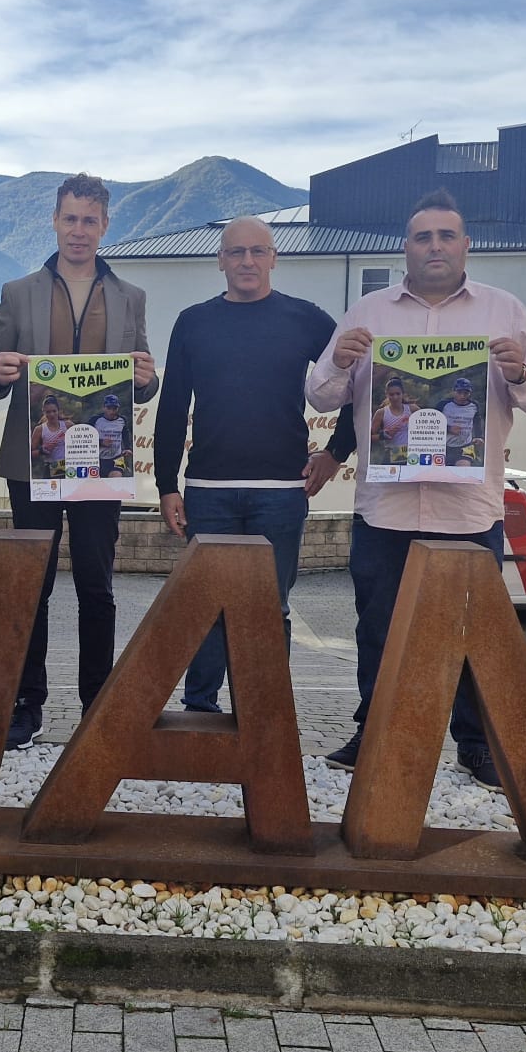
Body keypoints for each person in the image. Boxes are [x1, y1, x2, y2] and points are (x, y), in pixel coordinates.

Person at [306, 187, 526, 787]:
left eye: (446, 236)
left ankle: (475, 744)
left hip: (468, 510)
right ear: (406, 247)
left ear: (466, 246)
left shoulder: (505, 311)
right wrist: (339, 362)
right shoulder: (368, 312)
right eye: (424, 237)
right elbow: (318, 396)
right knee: (377, 626)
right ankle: (376, 731)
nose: (435, 246)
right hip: (385, 508)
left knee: (473, 634)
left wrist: (519, 371)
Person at [0, 172, 158, 747]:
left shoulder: (131, 297)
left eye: (90, 220)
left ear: (105, 226)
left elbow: (146, 379)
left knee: (96, 587)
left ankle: (96, 707)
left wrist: (147, 378)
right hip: (33, 461)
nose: (78, 230)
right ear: (54, 221)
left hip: (100, 463)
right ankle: (26, 706)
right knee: (32, 583)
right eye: (69, 218)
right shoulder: (17, 292)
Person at [156, 216, 358, 714]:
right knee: (205, 606)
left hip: (280, 492)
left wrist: (336, 453)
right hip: (207, 488)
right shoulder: (193, 322)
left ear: (274, 257)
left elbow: (360, 384)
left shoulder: (306, 319)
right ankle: (199, 710)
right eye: (237, 252)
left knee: (271, 608)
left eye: (258, 251)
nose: (248, 261)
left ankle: (264, 715)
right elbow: (172, 406)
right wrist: (166, 485)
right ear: (220, 260)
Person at [442, 377, 480, 465]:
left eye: (466, 393)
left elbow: (477, 422)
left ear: (470, 393)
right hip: (445, 446)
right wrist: (449, 429)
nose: (462, 396)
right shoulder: (443, 404)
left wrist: (479, 437)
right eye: (459, 392)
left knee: (464, 469)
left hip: (466, 446)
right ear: (453, 391)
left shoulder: (474, 406)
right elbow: (433, 423)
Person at [369, 379, 414, 453]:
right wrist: (383, 435)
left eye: (398, 394)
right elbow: (368, 438)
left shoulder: (412, 409)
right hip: (392, 455)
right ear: (386, 395)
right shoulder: (381, 413)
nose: (395, 397)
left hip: (411, 454)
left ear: (403, 394)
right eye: (391, 394)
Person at [32, 395, 70, 477]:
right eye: (48, 412)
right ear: (43, 412)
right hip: (51, 466)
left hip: (68, 466)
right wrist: (42, 450)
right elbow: (30, 453)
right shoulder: (39, 429)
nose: (52, 414)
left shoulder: (68, 425)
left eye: (54, 411)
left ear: (58, 411)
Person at [95, 394, 130, 475]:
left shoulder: (122, 420)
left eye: (114, 408)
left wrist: (128, 448)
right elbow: (86, 438)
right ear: (103, 408)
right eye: (109, 408)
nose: (111, 411)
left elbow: (125, 435)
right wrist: (101, 442)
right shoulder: (95, 420)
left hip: (117, 458)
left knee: (116, 478)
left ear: (118, 408)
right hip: (99, 459)